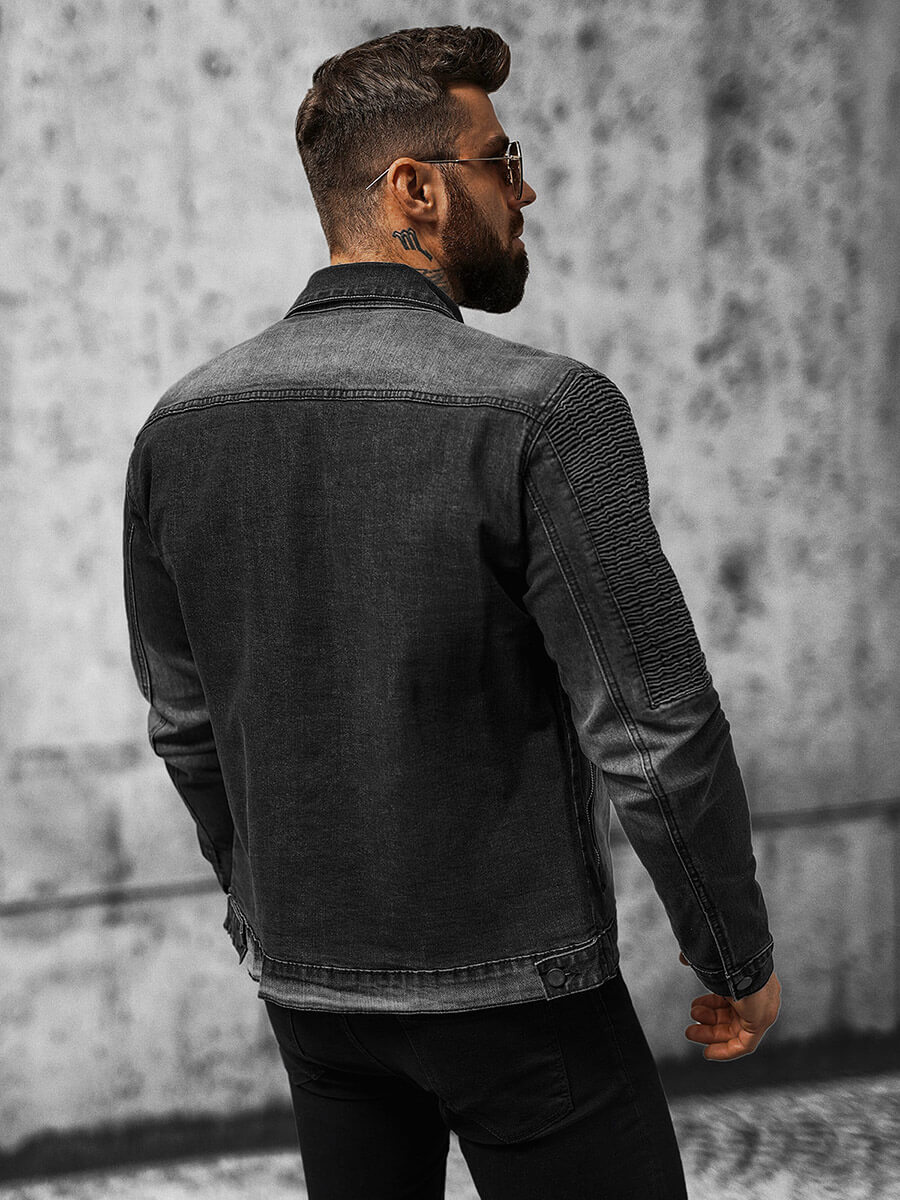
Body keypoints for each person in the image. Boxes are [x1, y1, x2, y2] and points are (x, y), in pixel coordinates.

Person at [122, 23, 781, 1200]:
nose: (525, 191)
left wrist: (263, 909)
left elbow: (184, 726)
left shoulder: (179, 429)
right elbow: (653, 728)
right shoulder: (548, 412)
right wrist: (732, 951)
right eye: (501, 160)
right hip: (522, 999)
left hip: (315, 999)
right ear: (413, 191)